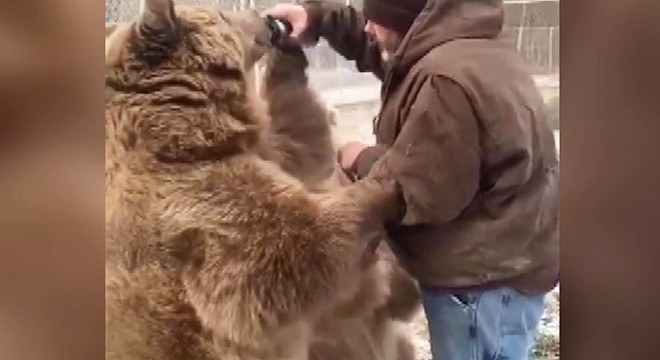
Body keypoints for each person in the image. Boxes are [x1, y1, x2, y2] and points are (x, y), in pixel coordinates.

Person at [264, 0, 559, 359]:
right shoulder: (465, 41)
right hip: (507, 253)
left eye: (376, 20)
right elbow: (390, 47)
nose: (368, 30)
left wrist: (361, 160)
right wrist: (318, 19)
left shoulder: (446, 82)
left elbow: (419, 187)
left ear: (405, 20)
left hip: (483, 282)